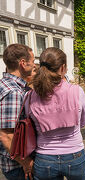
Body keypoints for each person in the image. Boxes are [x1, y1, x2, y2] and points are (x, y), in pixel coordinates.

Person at [24, 47, 85, 180]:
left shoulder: (29, 96)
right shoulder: (77, 91)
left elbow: (31, 127)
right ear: (63, 68)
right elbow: (82, 122)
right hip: (74, 153)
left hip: (44, 156)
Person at [0, 44, 35, 180]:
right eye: (32, 62)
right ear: (22, 63)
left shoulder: (4, 83)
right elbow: (6, 135)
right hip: (17, 166)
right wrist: (26, 162)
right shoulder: (13, 91)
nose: (33, 66)